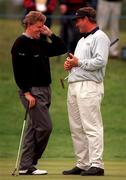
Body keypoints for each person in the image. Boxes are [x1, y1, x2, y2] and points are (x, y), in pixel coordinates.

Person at [11, 11, 67, 175]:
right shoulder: (20, 43)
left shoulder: (40, 42)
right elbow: (18, 72)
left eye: (43, 26)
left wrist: (50, 34)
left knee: (33, 129)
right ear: (28, 25)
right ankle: (30, 163)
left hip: (45, 89)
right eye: (39, 26)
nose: (41, 29)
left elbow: (61, 49)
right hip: (32, 92)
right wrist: (27, 93)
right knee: (44, 127)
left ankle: (25, 166)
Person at [63, 7, 110, 176]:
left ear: (87, 19)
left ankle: (97, 164)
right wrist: (70, 65)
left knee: (92, 126)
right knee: (76, 127)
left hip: (89, 86)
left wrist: (78, 63)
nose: (76, 24)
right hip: (74, 85)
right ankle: (83, 163)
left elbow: (100, 61)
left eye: (78, 20)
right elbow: (79, 63)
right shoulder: (82, 40)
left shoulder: (100, 37)